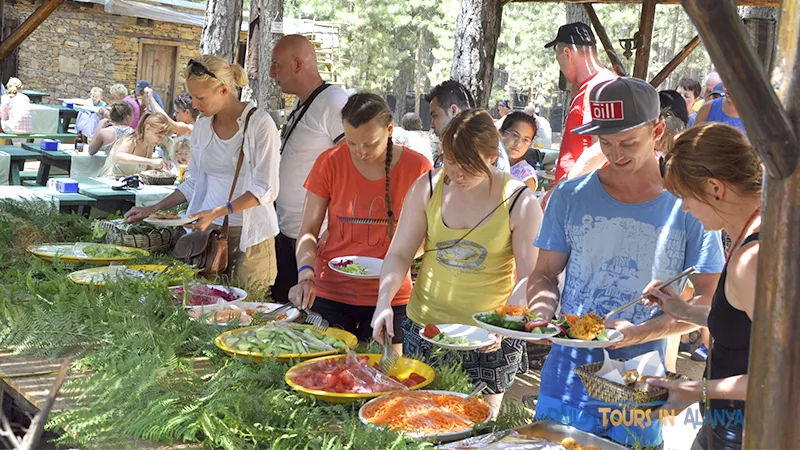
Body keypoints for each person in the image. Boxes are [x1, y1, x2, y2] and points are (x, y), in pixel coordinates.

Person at [526, 77, 724, 448]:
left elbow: (708, 298)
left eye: (629, 143)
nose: (616, 154)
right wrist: (541, 312)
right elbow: (544, 274)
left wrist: (642, 332)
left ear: (658, 131)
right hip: (565, 378)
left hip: (638, 383)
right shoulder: (570, 196)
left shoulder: (690, 205)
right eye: (606, 143)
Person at [371, 109, 543, 416]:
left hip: (489, 339)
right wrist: (384, 299)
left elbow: (530, 277)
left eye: (469, 165)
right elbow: (399, 253)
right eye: (450, 161)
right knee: (420, 423)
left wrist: (507, 323)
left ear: (492, 158)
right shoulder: (428, 187)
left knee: (477, 428)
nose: (457, 173)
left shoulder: (519, 201)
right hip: (427, 329)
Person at [643, 123, 761, 450]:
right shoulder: (752, 234)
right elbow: (745, 327)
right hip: (727, 425)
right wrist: (682, 310)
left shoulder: (753, 260)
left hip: (748, 431)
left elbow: (783, 376)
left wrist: (699, 389)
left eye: (684, 196)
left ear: (714, 188)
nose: (684, 208)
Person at [125, 56, 280, 288]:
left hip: (251, 239)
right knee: (204, 310)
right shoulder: (204, 127)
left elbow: (265, 189)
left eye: (200, 98)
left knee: (245, 312)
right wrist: (153, 209)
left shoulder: (259, 123)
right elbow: (193, 181)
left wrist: (218, 211)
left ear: (224, 90)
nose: (194, 105)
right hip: (206, 237)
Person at [289, 93, 431, 344]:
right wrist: (305, 275)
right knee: (326, 372)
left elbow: (427, 237)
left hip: (391, 296)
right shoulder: (329, 161)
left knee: (385, 375)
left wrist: (398, 259)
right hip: (329, 291)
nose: (359, 152)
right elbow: (308, 231)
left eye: (369, 144)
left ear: (389, 130)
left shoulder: (417, 167)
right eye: (351, 143)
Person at [270, 34, 350, 304]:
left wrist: (334, 228)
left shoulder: (334, 102)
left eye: (276, 65)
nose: (272, 73)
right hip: (289, 235)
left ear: (297, 65)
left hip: (319, 243)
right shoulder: (302, 103)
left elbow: (352, 167)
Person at [545, 22, 618, 184]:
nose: (561, 68)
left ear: (567, 53)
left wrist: (564, 187)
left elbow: (602, 149)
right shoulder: (591, 86)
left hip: (583, 197)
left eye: (559, 60)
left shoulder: (602, 85)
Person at [426, 80, 510, 171]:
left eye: (435, 116)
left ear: (453, 110)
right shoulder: (465, 142)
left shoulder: (484, 143)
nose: (432, 125)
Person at [99, 112, 172, 178]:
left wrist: (158, 167)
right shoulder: (130, 141)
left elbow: (148, 171)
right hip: (110, 183)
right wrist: (150, 161)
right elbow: (117, 156)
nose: (161, 140)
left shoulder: (150, 145)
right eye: (159, 136)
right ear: (147, 129)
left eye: (163, 137)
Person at [500, 111, 538, 192]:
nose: (518, 144)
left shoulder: (526, 176)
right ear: (501, 133)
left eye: (525, 140)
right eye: (514, 135)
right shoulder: (490, 162)